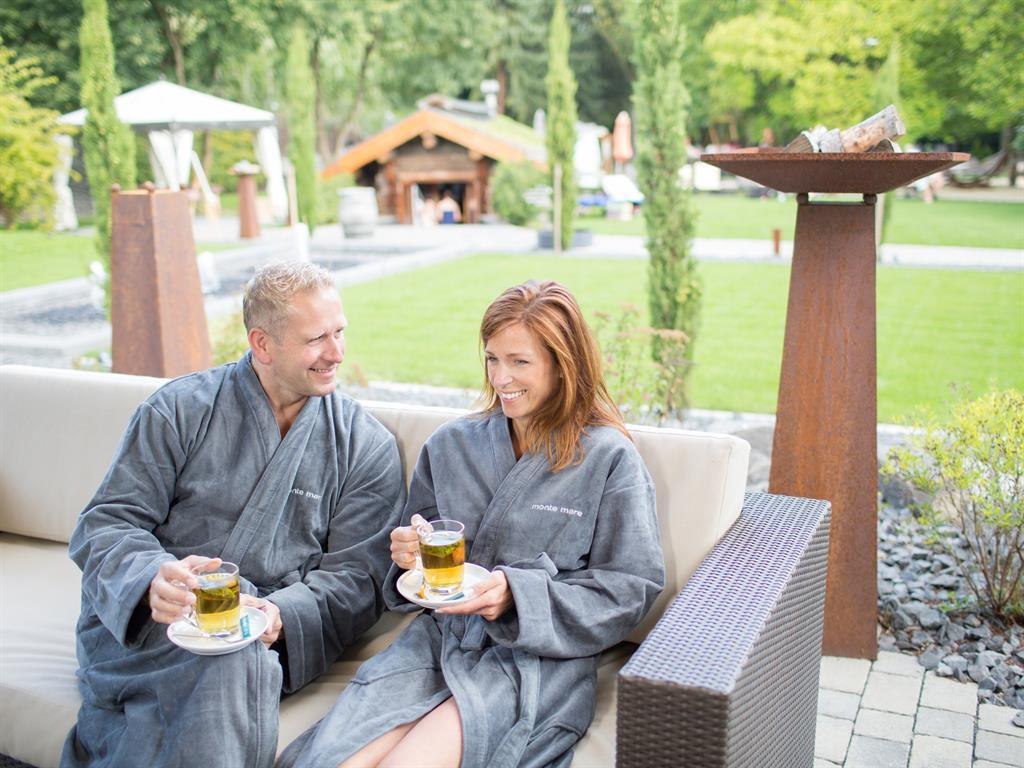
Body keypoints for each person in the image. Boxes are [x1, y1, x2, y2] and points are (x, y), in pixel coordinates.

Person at [281, 280, 665, 768]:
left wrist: (516, 597)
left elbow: (629, 588)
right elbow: (410, 568)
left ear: (563, 364)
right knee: (335, 759)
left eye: (519, 362)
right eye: (492, 359)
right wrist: (407, 558)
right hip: (437, 644)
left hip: (533, 659)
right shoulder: (451, 445)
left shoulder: (608, 459)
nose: (501, 378)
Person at [62, 262, 406, 768]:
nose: (336, 353)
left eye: (339, 332)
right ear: (263, 344)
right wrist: (151, 577)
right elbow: (107, 522)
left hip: (264, 634)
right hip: (161, 626)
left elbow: (358, 577)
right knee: (228, 663)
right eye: (316, 339)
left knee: (232, 658)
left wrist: (279, 614)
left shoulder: (364, 446)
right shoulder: (178, 410)